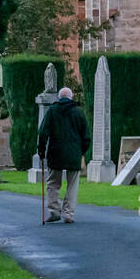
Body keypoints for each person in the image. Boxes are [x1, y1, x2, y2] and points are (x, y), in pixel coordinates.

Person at [37, 86, 89, 224]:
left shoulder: (53, 111)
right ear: (71, 97)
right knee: (72, 185)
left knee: (53, 183)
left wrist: (41, 151)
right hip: (73, 153)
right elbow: (86, 137)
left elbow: (43, 133)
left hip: (56, 151)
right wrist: (81, 151)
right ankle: (68, 214)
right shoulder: (78, 112)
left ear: (59, 98)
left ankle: (54, 211)